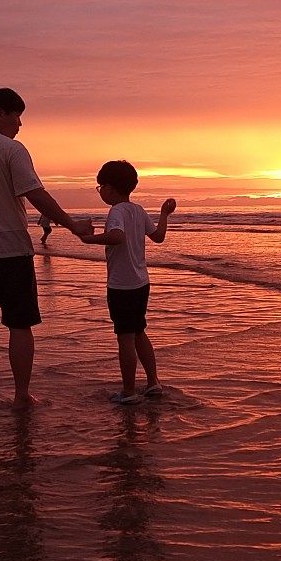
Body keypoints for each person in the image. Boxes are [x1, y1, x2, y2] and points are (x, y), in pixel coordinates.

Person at [0, 87, 88, 411]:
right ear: (0, 113)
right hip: (10, 250)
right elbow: (34, 192)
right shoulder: (12, 149)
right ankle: (21, 395)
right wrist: (72, 224)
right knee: (19, 325)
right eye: (17, 115)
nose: (20, 124)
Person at [77, 160, 176, 404]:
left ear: (110, 188)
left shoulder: (117, 211)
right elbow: (159, 237)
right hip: (142, 283)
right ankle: (153, 382)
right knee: (139, 332)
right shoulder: (138, 210)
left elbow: (117, 237)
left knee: (125, 338)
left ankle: (129, 391)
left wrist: (87, 238)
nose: (100, 192)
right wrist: (164, 214)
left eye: (100, 187)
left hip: (122, 286)